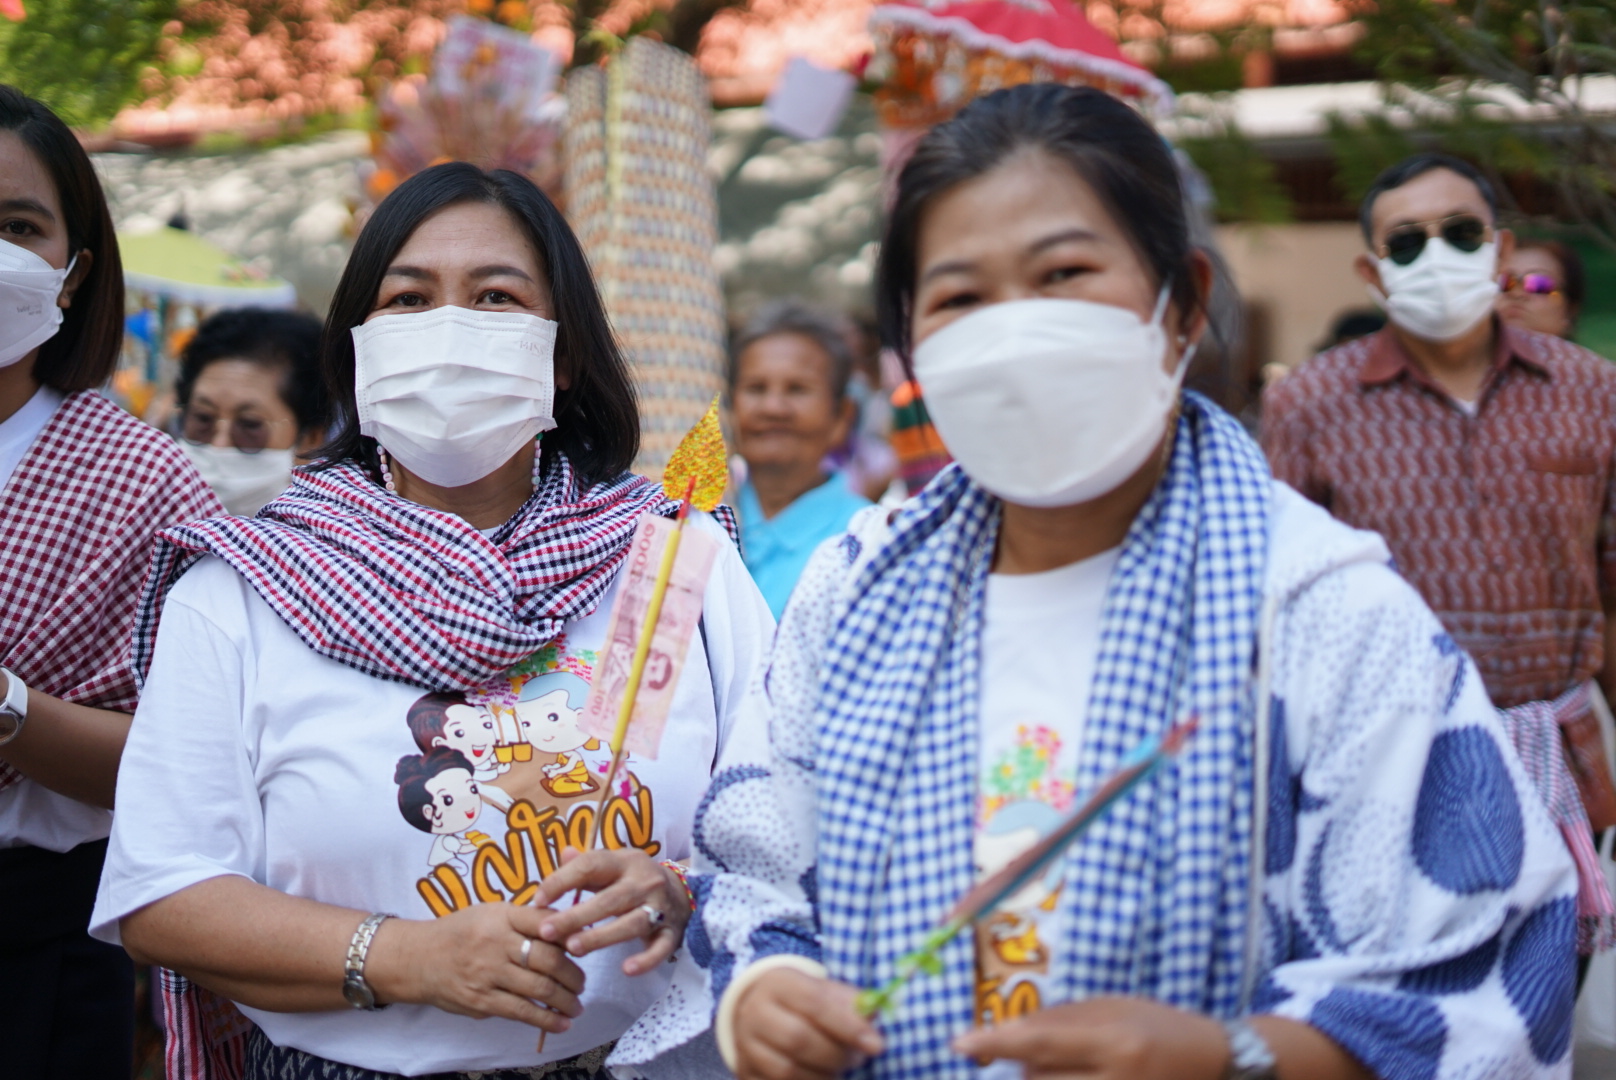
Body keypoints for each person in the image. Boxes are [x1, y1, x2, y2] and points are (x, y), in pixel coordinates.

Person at [689, 86, 1577, 1080]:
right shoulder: (852, 587)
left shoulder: (1322, 608)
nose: (1014, 333)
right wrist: (766, 990)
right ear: (910, 345)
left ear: (1182, 303)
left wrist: (1232, 1054)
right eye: (959, 298)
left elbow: (1478, 977)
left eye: (1062, 273)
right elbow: (754, 858)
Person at [89, 162, 774, 1080]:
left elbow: (789, 824)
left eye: (496, 297)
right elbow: (163, 894)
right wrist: (414, 958)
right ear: (359, 349)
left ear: (562, 354)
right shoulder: (240, 592)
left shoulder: (677, 564)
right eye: (409, 301)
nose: (450, 330)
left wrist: (686, 889)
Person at [1262, 155, 1616, 960]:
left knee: (1549, 990)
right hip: (1390, 770)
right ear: (1373, 271)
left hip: (1558, 758)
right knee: (1413, 994)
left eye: (1460, 233)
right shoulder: (1308, 405)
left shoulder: (1595, 393)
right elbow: (1284, 612)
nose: (1438, 257)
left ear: (1499, 249)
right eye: (1408, 242)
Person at [0, 85, 222, 1079]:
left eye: (16, 227)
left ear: (75, 267)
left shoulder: (146, 483)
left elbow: (182, 763)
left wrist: (7, 708)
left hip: (29, 948)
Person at [731, 300, 872, 619]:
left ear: (841, 417)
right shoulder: (696, 519)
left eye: (797, 389)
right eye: (756, 388)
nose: (773, 407)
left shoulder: (867, 539)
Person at [174, 307, 331, 515]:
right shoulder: (143, 525)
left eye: (249, 424)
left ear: (311, 440)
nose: (219, 445)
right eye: (203, 418)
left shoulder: (333, 541)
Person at [1498, 238, 1585, 340]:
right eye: (1503, 282)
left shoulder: (1584, 356)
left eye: (1539, 284)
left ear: (1570, 310)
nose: (1516, 294)